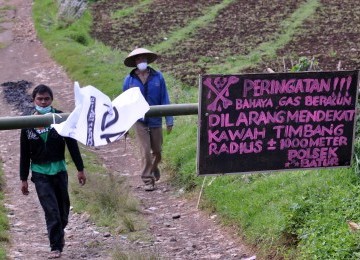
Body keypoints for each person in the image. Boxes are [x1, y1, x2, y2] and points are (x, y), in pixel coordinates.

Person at [19, 84, 86, 259]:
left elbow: (72, 145)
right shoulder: (26, 123)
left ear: (51, 99)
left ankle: (59, 234)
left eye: (46, 99)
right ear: (33, 100)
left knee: (63, 212)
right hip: (40, 173)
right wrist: (23, 178)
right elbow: (24, 153)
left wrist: (80, 169)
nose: (43, 102)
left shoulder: (61, 117)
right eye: (39, 99)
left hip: (59, 170)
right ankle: (55, 247)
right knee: (52, 211)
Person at [123, 48, 173, 191]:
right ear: (135, 62)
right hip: (139, 121)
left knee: (157, 151)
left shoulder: (158, 77)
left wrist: (169, 120)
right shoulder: (129, 80)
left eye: (143, 58)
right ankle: (147, 180)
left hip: (156, 120)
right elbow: (125, 104)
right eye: (138, 59)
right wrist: (124, 126)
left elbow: (165, 98)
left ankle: (153, 167)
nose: (141, 61)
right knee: (145, 151)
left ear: (147, 60)